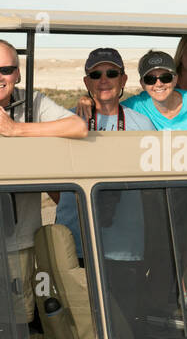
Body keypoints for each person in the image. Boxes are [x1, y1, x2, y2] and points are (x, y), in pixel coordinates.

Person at [0, 39, 87, 323]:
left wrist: (16, 129)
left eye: (6, 69)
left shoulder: (32, 101)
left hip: (18, 241)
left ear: (18, 74)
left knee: (18, 321)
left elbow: (78, 127)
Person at [56, 48, 154, 259]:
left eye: (111, 74)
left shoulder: (142, 123)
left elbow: (150, 186)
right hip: (76, 240)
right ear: (86, 82)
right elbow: (50, 178)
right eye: (95, 75)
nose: (104, 80)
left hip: (126, 245)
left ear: (123, 79)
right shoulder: (67, 120)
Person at [121, 51, 187, 131]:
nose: (159, 84)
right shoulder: (132, 106)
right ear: (142, 84)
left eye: (166, 78)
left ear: (175, 79)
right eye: (150, 79)